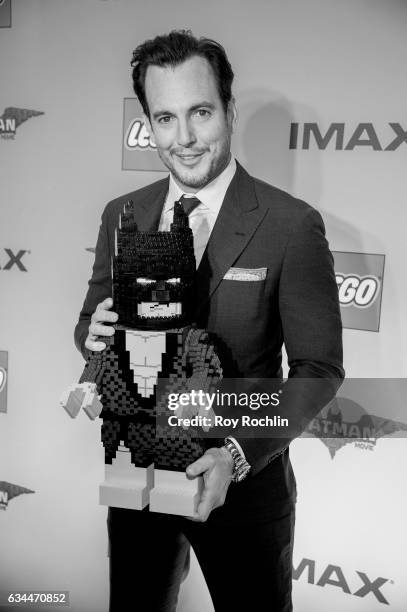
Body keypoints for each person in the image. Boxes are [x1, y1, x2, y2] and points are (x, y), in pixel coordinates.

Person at [74, 30, 344, 612]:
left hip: (244, 487)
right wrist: (92, 333)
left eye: (200, 112)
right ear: (148, 122)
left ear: (228, 110)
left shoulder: (290, 224)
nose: (185, 138)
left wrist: (237, 454)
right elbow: (89, 325)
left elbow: (319, 369)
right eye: (165, 118)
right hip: (141, 476)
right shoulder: (122, 214)